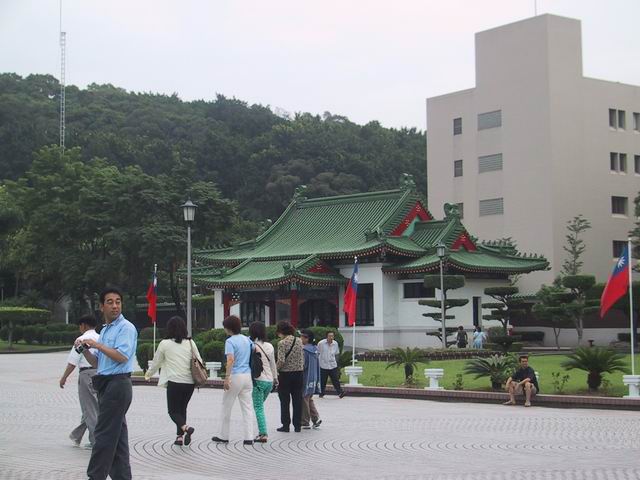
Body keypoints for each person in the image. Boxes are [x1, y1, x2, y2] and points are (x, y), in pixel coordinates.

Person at [76, 286, 138, 480]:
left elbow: (121, 356)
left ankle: (95, 476)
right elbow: (98, 363)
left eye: (118, 302)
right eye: (110, 302)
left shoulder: (126, 328)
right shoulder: (105, 330)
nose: (115, 306)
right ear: (101, 307)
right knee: (117, 438)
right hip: (106, 384)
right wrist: (86, 349)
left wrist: (97, 344)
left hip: (118, 385)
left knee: (103, 435)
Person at [145, 316, 201, 446]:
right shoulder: (190, 342)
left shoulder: (164, 344)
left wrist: (148, 374)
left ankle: (186, 428)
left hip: (174, 382)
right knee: (182, 409)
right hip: (189, 383)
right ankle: (179, 437)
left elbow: (156, 362)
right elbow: (199, 360)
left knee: (173, 411)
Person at [211, 315, 256, 445]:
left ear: (228, 328)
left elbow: (230, 360)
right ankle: (249, 437)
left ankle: (223, 436)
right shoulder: (248, 340)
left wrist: (226, 378)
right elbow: (254, 352)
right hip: (247, 376)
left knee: (226, 406)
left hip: (235, 376)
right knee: (247, 408)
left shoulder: (230, 341)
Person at [59, 314, 100, 449]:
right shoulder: (101, 338)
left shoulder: (81, 340)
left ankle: (95, 441)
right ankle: (77, 435)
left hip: (86, 375)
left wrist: (64, 377)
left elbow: (73, 362)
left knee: (89, 409)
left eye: (80, 326)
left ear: (83, 325)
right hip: (100, 374)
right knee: (93, 406)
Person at [249, 321, 277, 443]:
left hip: (258, 381)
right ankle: (262, 432)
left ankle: (263, 434)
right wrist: (275, 378)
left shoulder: (252, 346)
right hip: (269, 382)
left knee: (258, 408)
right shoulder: (270, 346)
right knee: (259, 406)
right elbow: (273, 364)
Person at [275, 320, 304, 433]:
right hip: (298, 373)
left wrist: (275, 369)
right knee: (297, 400)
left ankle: (285, 425)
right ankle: (297, 425)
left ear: (280, 331)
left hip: (285, 374)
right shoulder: (299, 341)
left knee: (284, 400)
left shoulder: (282, 343)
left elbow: (281, 360)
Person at [300, 329, 322, 430]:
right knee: (309, 398)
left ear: (307, 338)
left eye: (301, 337)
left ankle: (305, 422)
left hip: (306, 376)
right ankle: (315, 418)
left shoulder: (305, 350)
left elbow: (303, 365)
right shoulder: (315, 349)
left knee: (304, 398)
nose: (300, 338)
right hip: (314, 377)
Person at [317, 331, 344, 398]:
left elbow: (336, 353)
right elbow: (318, 352)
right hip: (323, 364)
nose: (331, 337)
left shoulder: (335, 343)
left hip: (332, 365)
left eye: (332, 336)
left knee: (335, 379)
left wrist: (336, 362)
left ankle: (340, 392)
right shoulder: (321, 343)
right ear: (326, 337)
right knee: (323, 380)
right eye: (329, 336)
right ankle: (321, 393)